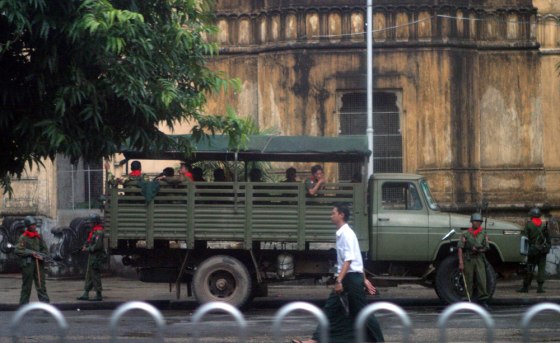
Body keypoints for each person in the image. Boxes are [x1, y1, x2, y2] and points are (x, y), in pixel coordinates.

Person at [293, 203, 384, 343]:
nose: (331, 215)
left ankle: (379, 340)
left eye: (333, 213)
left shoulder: (346, 234)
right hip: (351, 277)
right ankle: (315, 340)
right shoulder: (343, 233)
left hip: (350, 279)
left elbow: (349, 260)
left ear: (341, 215)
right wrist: (363, 278)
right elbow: (357, 258)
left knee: (362, 312)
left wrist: (339, 281)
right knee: (332, 308)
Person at [457, 213, 490, 310]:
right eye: (476, 221)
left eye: (479, 222)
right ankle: (466, 300)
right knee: (468, 279)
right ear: (472, 222)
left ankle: (483, 300)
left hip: (479, 258)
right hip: (468, 258)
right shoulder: (465, 234)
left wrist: (479, 250)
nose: (478, 223)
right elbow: (460, 248)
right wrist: (461, 262)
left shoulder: (483, 233)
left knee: (482, 279)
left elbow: (487, 247)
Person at [15, 216, 50, 305]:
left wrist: (41, 256)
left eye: (34, 225)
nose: (34, 226)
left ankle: (45, 304)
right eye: (32, 225)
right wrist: (31, 253)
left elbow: (45, 250)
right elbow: (18, 250)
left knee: (41, 285)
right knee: (27, 286)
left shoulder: (38, 237)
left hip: (39, 264)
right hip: (28, 265)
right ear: (28, 226)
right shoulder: (23, 237)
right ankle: (23, 305)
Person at [517, 207, 551, 293]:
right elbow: (548, 239)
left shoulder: (529, 225)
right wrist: (547, 248)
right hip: (543, 250)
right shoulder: (544, 225)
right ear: (539, 216)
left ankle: (525, 287)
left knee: (530, 268)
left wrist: (524, 250)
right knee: (541, 269)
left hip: (532, 250)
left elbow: (524, 238)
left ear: (531, 216)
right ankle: (540, 288)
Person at [77, 213, 106, 301]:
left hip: (97, 256)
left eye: (91, 222)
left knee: (95, 275)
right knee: (89, 275)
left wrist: (87, 249)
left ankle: (98, 294)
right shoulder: (93, 231)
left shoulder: (99, 232)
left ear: (95, 222)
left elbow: (97, 246)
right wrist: (85, 245)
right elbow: (90, 241)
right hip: (92, 256)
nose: (89, 224)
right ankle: (86, 293)